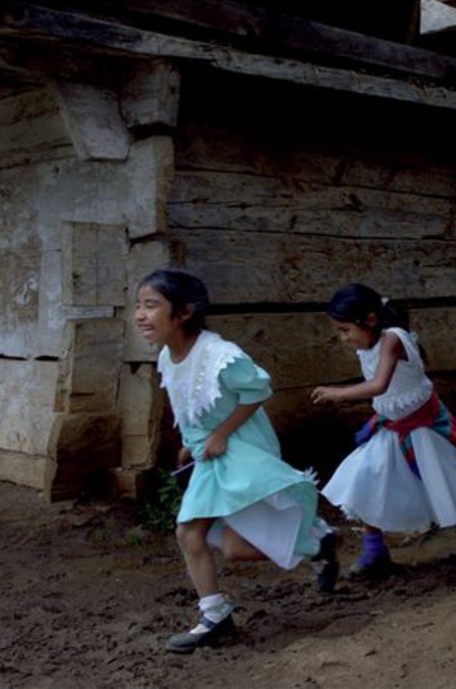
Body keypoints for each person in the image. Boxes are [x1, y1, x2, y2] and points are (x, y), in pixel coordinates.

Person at [134, 269, 339, 654]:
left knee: (189, 532)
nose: (140, 315)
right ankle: (317, 543)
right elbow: (190, 400)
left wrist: (221, 433)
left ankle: (215, 617)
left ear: (184, 312)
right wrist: (189, 440)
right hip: (211, 453)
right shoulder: (168, 354)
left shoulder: (221, 356)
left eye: (151, 305)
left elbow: (258, 389)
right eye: (138, 306)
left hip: (241, 451)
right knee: (233, 549)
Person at [310, 283, 456, 579]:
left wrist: (338, 393)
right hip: (392, 426)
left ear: (369, 319)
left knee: (448, 482)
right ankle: (374, 549)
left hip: (424, 426)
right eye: (339, 331)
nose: (343, 338)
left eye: (345, 330)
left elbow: (379, 384)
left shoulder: (393, 339)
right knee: (365, 477)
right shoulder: (367, 344)